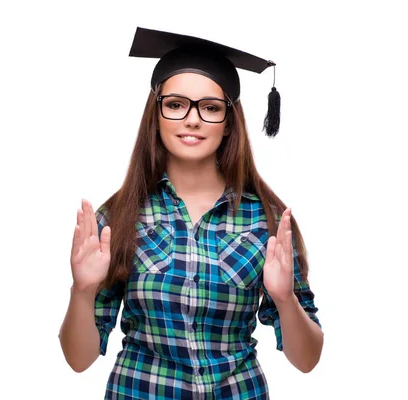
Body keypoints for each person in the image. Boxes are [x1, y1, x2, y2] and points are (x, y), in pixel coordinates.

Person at [59, 27, 324, 400]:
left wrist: (284, 299)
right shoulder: (117, 218)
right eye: (176, 104)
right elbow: (78, 359)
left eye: (211, 108)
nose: (193, 119)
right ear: (158, 113)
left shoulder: (267, 220)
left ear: (229, 122)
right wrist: (83, 292)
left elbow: (307, 360)